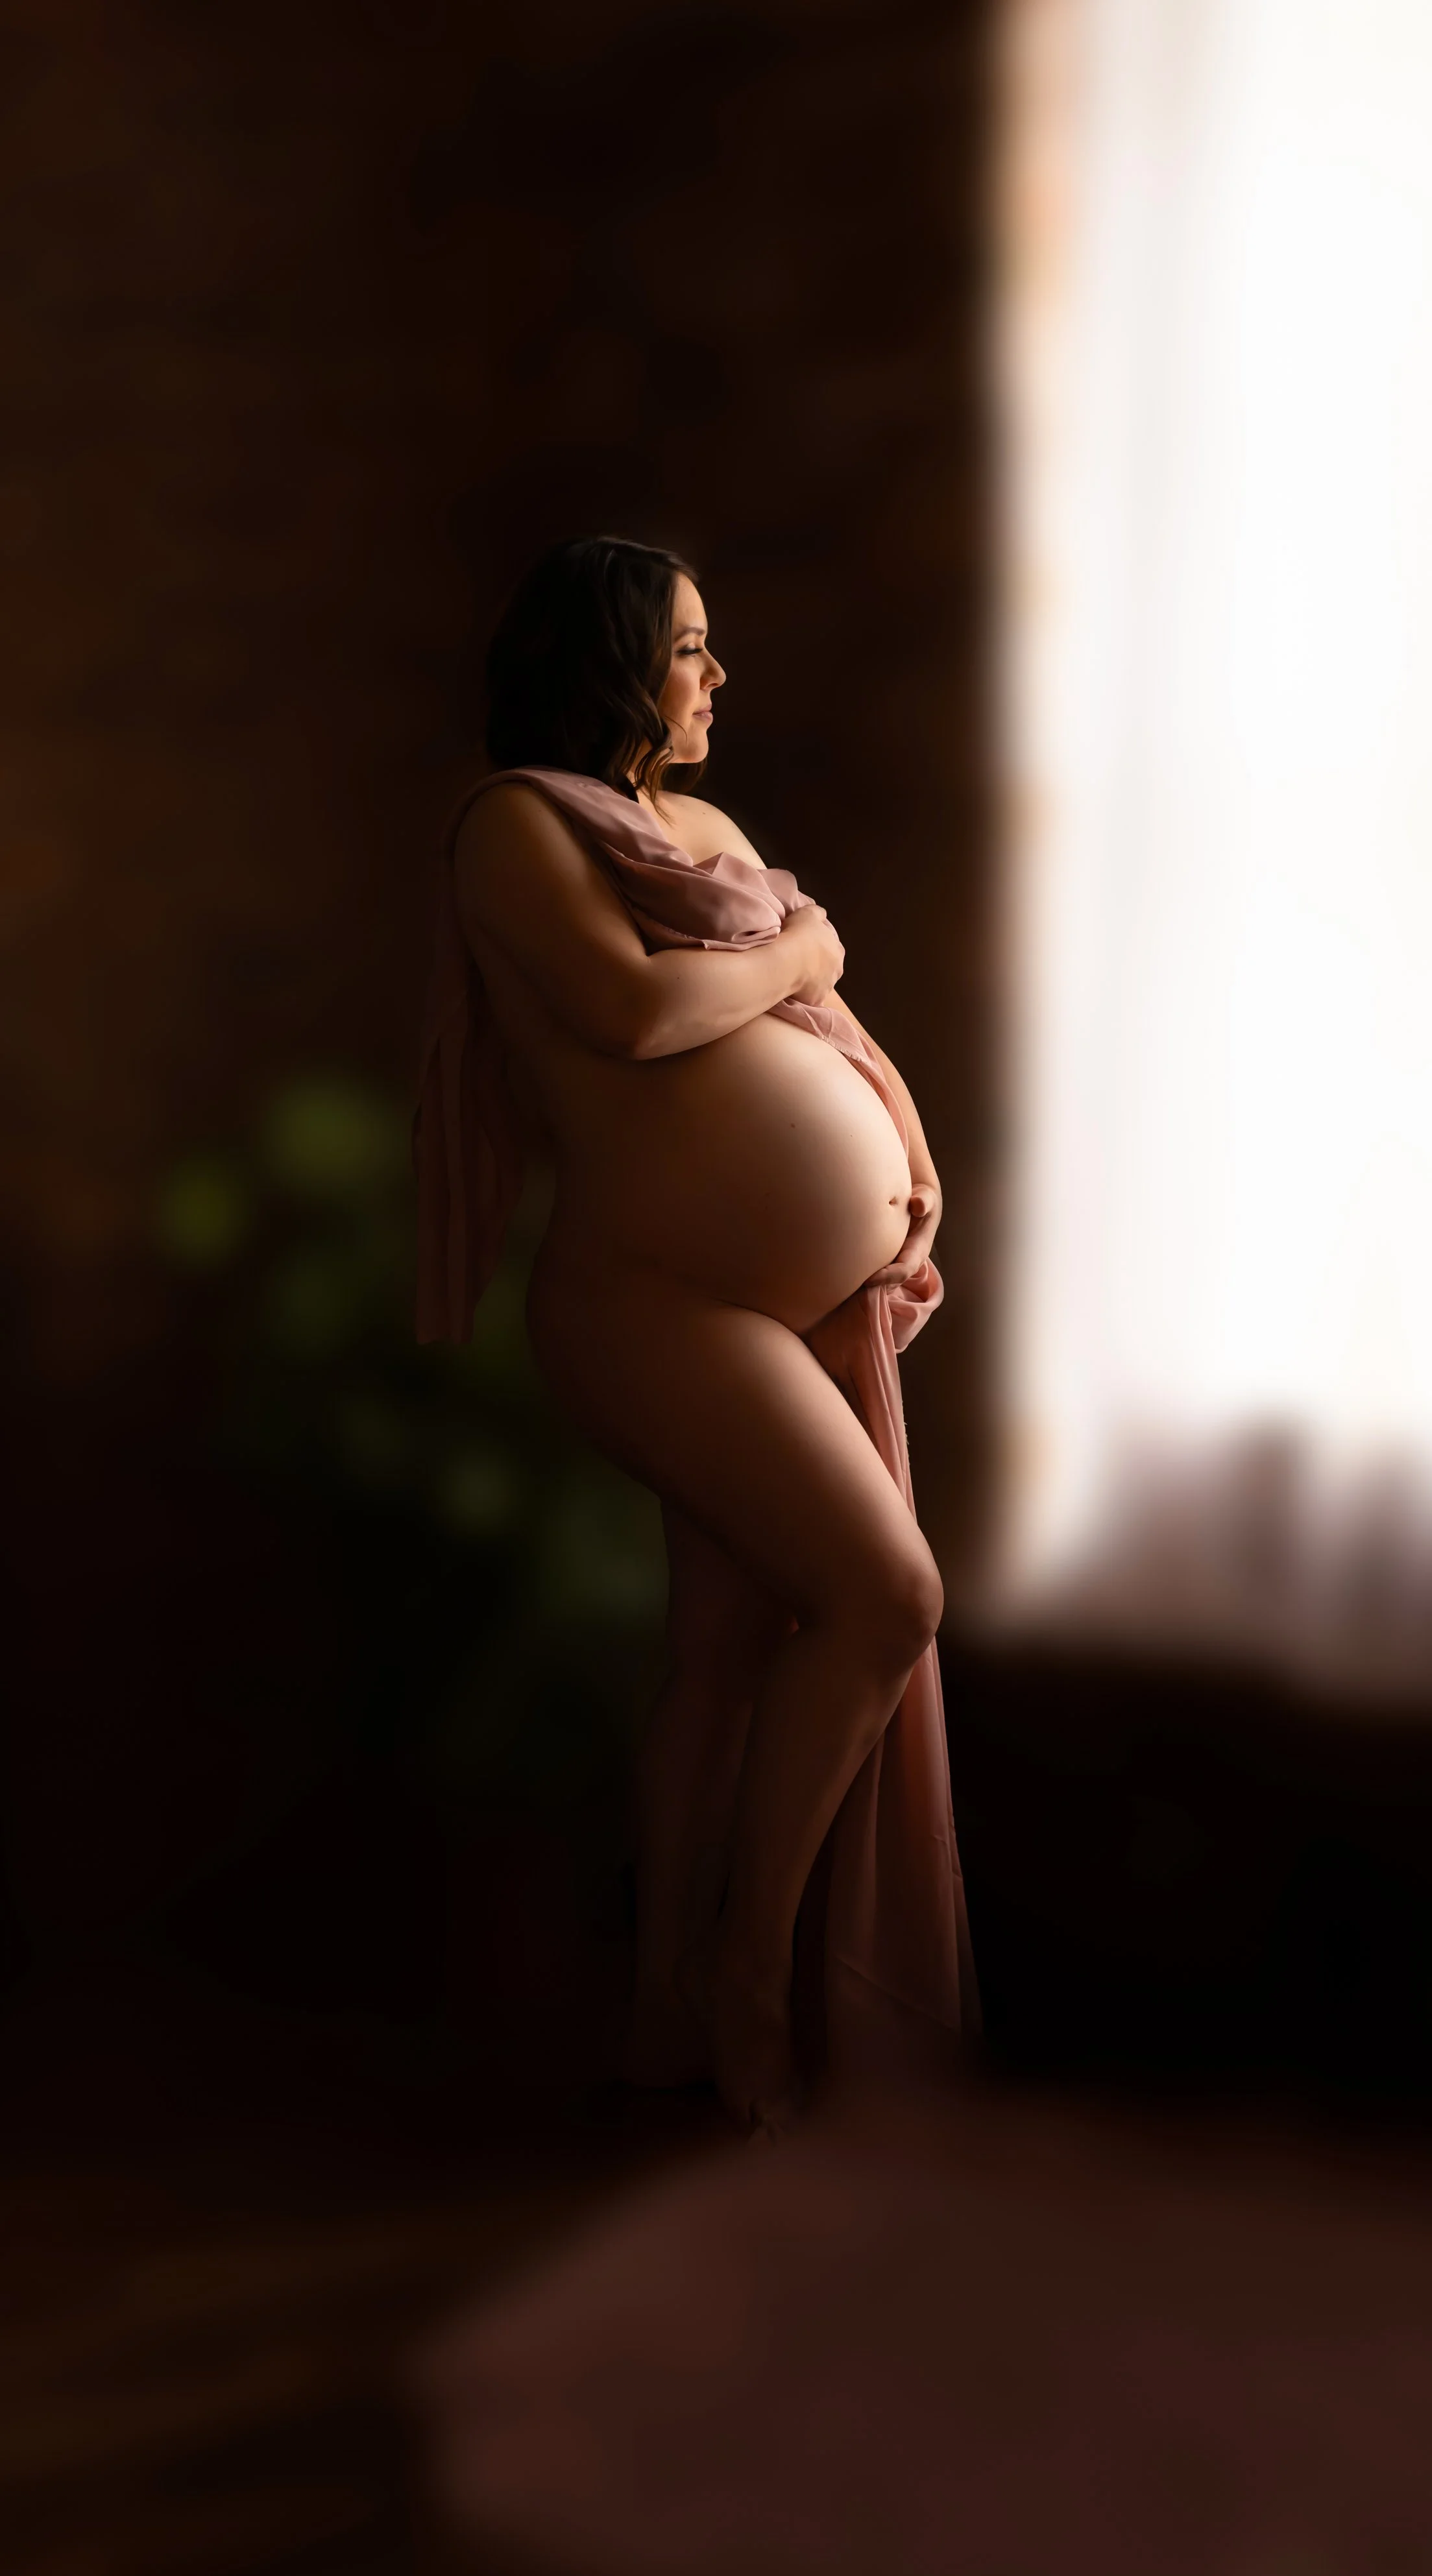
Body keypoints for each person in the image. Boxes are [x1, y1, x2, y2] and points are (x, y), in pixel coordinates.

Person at [413, 535, 976, 2136]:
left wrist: (906, 1151)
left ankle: (665, 2009)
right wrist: (798, 947)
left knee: (724, 1653)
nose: (716, 675)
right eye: (686, 648)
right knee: (885, 1595)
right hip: (651, 1298)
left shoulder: (705, 828)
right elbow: (641, 1011)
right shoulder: (516, 825)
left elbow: (825, 1021)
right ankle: (748, 1978)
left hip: (768, 1298)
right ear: (608, 664)